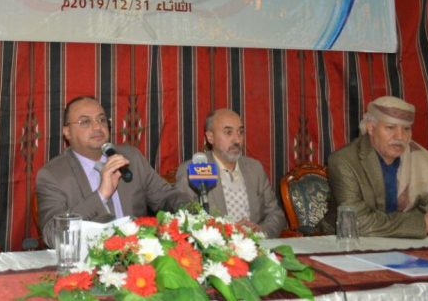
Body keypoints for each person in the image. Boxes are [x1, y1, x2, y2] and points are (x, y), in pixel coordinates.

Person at [36, 96, 190, 247]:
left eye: (102, 119)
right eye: (85, 122)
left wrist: (192, 211)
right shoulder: (53, 175)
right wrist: (101, 195)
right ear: (67, 132)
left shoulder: (131, 158)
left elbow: (166, 197)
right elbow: (52, 235)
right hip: (90, 258)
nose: (97, 127)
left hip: (138, 253)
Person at [321, 96, 428, 238]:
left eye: (406, 129)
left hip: (406, 241)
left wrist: (426, 223)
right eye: (390, 127)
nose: (400, 136)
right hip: (346, 241)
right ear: (371, 128)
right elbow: (356, 221)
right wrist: (421, 224)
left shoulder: (419, 158)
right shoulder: (344, 160)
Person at [175, 109, 286, 238]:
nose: (237, 140)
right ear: (210, 137)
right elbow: (183, 220)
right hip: (217, 247)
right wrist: (227, 232)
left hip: (256, 245)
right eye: (228, 132)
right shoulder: (193, 170)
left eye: (240, 132)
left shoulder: (255, 169)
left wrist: (261, 231)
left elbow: (276, 214)